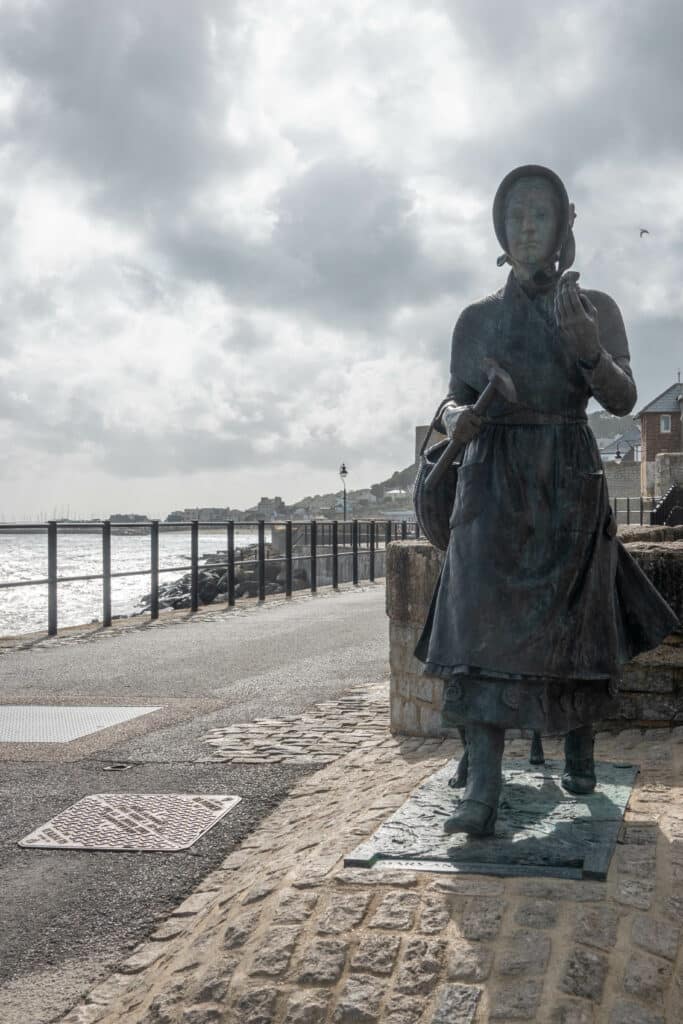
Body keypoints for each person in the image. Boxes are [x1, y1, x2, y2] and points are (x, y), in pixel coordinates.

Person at [415, 165, 679, 838]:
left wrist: (589, 353)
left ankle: (580, 750)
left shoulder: (596, 308)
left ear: (562, 226)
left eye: (538, 215)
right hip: (490, 477)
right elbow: (450, 396)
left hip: (565, 477)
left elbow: (620, 399)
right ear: (500, 232)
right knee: (472, 625)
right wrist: (456, 420)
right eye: (515, 217)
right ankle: (482, 783)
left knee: (571, 625)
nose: (527, 227)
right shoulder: (475, 320)